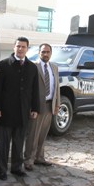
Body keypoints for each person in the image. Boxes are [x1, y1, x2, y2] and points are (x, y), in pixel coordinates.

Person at [0, 36, 40, 181]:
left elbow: (35, 90)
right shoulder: (3, 65)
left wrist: (35, 108)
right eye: (18, 46)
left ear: (27, 49)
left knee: (19, 143)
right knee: (4, 144)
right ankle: (2, 170)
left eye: (23, 47)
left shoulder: (32, 67)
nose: (20, 49)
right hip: (5, 112)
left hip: (23, 112)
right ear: (14, 47)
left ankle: (16, 168)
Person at [24, 43, 60, 171]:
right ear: (39, 52)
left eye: (48, 52)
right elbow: (29, 89)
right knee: (33, 134)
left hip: (50, 105)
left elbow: (57, 87)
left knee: (43, 134)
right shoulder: (33, 66)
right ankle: (28, 160)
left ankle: (39, 158)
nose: (45, 54)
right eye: (43, 52)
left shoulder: (54, 67)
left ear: (51, 53)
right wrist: (30, 107)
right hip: (37, 106)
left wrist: (57, 104)